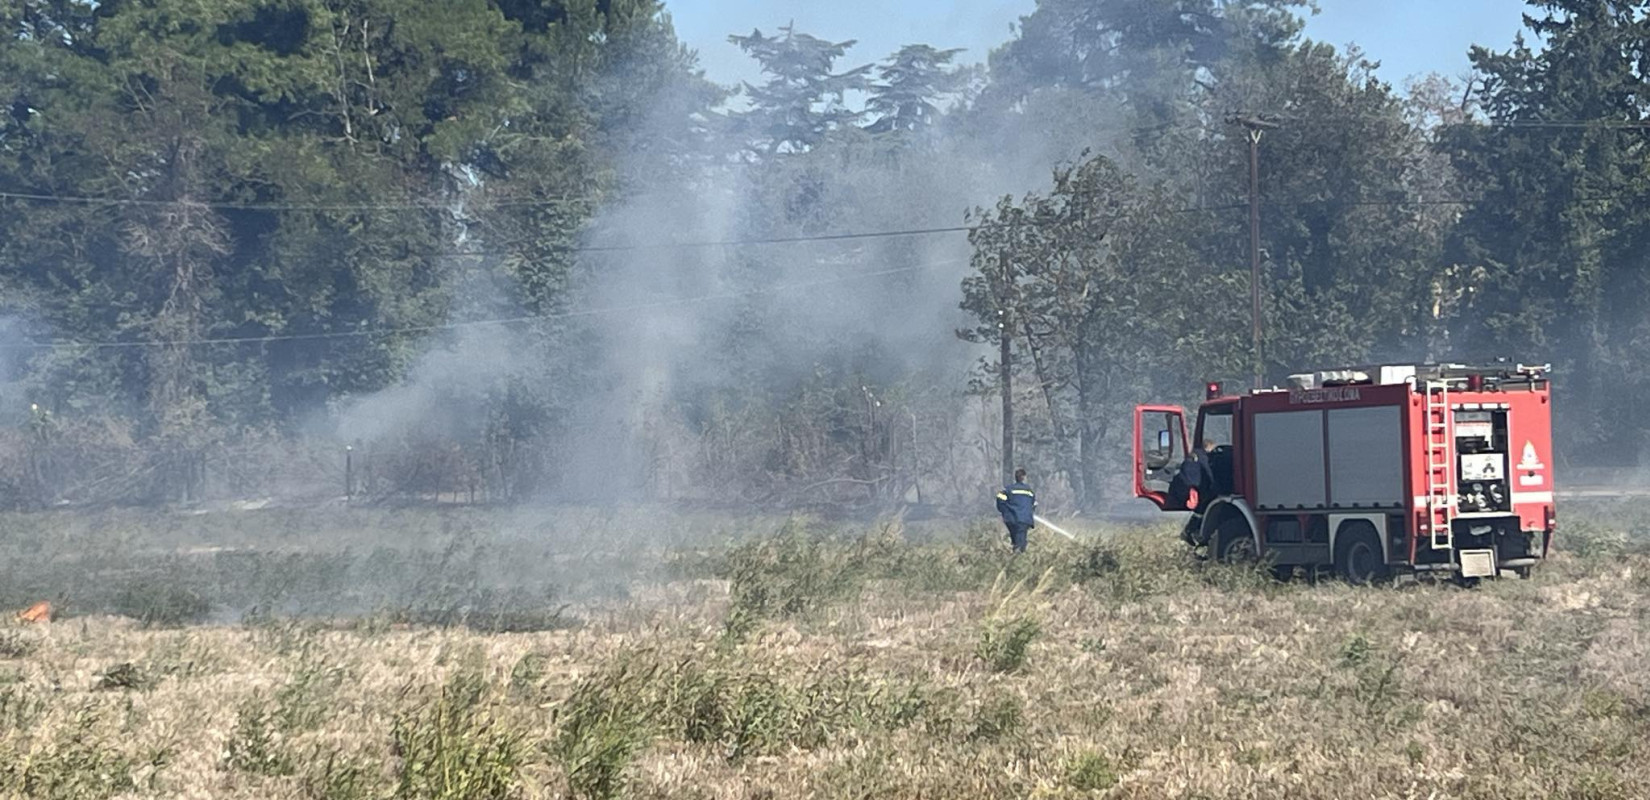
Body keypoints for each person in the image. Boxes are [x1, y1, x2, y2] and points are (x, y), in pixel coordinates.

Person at [1173, 440, 1216, 547]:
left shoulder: (1193, 457)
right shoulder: (1203, 458)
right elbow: (1209, 474)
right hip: (1199, 490)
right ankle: (1192, 532)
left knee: (1201, 510)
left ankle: (1190, 532)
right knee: (1202, 509)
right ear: (1209, 447)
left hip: (1191, 489)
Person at [995, 468, 1036, 553]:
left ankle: (1015, 555)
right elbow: (1033, 504)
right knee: (1021, 542)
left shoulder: (1008, 490)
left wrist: (1005, 512)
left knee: (1015, 539)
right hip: (1023, 520)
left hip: (1011, 520)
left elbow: (1000, 500)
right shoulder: (1029, 491)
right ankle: (1018, 559)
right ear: (1024, 477)